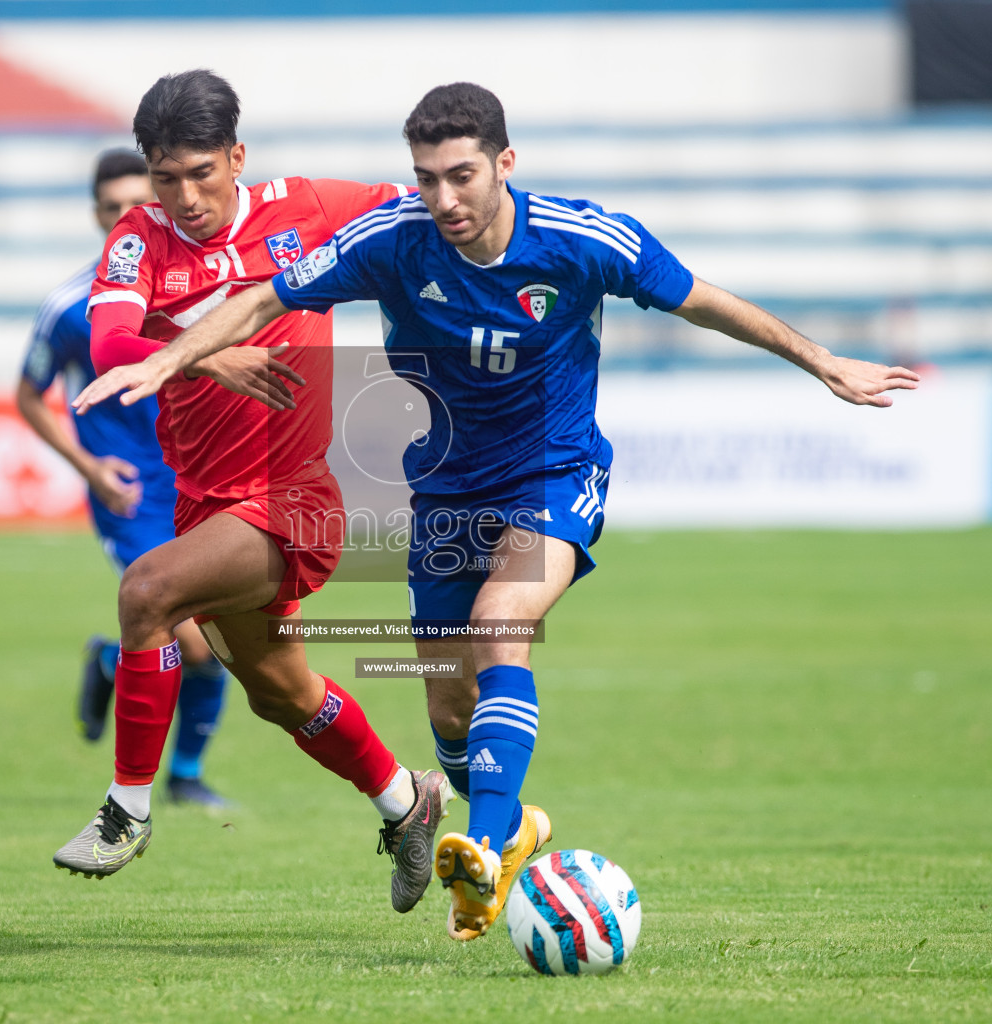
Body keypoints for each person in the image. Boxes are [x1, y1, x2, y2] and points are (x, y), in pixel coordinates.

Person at [74, 82, 921, 941]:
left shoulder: (583, 239)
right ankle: (502, 824)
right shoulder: (393, 242)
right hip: (444, 487)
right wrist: (175, 358)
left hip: (553, 472)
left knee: (501, 622)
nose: (444, 198)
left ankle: (478, 850)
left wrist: (820, 362)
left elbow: (701, 297)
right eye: (426, 179)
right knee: (446, 710)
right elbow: (267, 298)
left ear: (504, 165)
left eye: (461, 176)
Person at [51, 70, 453, 917]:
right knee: (281, 693)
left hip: (294, 498)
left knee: (146, 593)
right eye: (167, 177)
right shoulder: (140, 237)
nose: (186, 196)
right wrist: (206, 347)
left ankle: (127, 810)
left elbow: (429, 208)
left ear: (237, 157)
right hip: (208, 502)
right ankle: (405, 802)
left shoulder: (306, 207)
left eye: (202, 173)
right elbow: (112, 338)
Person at [16, 149, 231, 809]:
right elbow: (28, 394)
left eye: (135, 205)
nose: (124, 219)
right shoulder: (70, 306)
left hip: (198, 485)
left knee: (221, 640)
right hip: (130, 495)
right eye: (111, 209)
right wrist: (88, 467)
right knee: (191, 637)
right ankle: (180, 778)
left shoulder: (192, 291)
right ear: (96, 214)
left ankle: (122, 670)